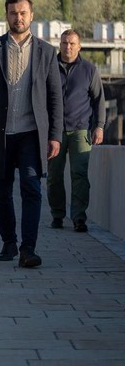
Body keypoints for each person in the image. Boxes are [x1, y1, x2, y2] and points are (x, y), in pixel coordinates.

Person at [0, 0, 63, 268]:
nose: (18, 17)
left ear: (31, 15)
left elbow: (55, 97)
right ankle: (9, 242)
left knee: (31, 188)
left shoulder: (47, 52)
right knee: (2, 191)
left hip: (31, 134)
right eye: (13, 13)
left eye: (23, 13)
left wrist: (55, 135)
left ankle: (28, 249)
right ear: (7, 16)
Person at [47, 29, 106, 233]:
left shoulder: (89, 70)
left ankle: (79, 218)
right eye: (64, 43)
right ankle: (57, 215)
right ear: (60, 45)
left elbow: (99, 100)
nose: (68, 47)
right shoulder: (49, 67)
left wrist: (99, 126)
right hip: (54, 131)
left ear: (79, 46)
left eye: (72, 43)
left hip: (80, 130)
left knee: (79, 175)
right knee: (54, 176)